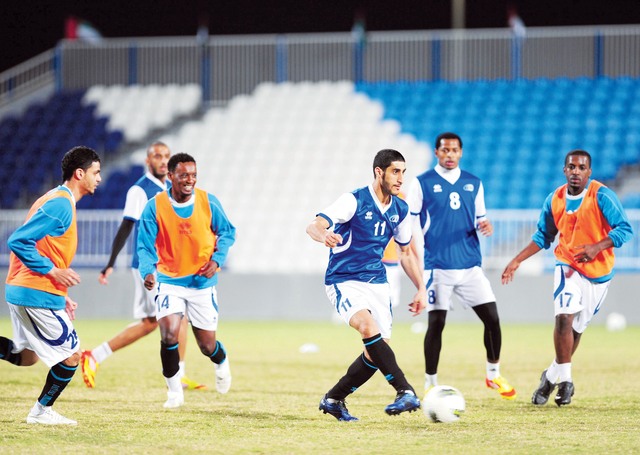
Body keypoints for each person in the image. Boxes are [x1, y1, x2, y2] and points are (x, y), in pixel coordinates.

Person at [502, 149, 633, 406]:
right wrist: (517, 260)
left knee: (576, 330)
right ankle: (566, 382)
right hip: (567, 266)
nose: (576, 171)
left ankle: (550, 377)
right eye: (571, 167)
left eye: (581, 168)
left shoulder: (602, 195)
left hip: (599, 274)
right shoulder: (555, 199)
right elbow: (543, 236)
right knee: (563, 319)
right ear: (565, 170)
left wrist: (597, 247)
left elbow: (625, 229)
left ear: (589, 172)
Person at [306, 149, 427, 421]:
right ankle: (405, 390)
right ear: (378, 172)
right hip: (344, 279)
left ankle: (333, 399)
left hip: (377, 282)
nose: (401, 178)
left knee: (375, 353)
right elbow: (313, 226)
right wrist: (324, 235)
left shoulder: (400, 209)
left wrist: (420, 287)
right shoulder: (354, 200)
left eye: (403, 172)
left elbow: (406, 252)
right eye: (395, 171)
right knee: (368, 329)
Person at [81, 142, 204, 391]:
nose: (163, 160)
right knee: (174, 316)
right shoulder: (139, 190)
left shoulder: (172, 188)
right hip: (150, 267)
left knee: (157, 321)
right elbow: (126, 226)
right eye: (157, 156)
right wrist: (110, 263)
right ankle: (177, 376)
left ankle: (95, 356)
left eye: (166, 156)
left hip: (170, 266)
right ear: (148, 161)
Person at [407, 132, 516, 400]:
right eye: (445, 150)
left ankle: (493, 375)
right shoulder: (422, 183)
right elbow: (411, 223)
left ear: (461, 152)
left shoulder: (473, 183)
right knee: (436, 324)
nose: (450, 154)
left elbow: (480, 218)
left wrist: (485, 225)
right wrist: (418, 259)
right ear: (436, 152)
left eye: (454, 150)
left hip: (469, 266)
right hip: (438, 266)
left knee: (492, 320)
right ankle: (430, 382)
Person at [1, 146, 101, 425]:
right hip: (35, 292)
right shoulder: (61, 204)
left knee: (27, 357)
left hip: (27, 289)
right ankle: (41, 412)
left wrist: (60, 292)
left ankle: (41, 411)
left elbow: (45, 247)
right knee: (71, 357)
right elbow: (18, 240)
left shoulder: (55, 198)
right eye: (95, 172)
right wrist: (53, 272)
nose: (99, 178)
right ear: (79, 173)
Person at [137, 152, 236, 408]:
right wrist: (148, 271)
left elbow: (227, 232)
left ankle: (221, 362)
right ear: (170, 176)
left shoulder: (208, 202)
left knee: (207, 345)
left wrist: (217, 261)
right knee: (169, 334)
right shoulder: (154, 206)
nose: (190, 180)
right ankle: (174, 393)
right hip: (169, 280)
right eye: (183, 175)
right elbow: (145, 246)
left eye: (193, 175)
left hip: (201, 283)